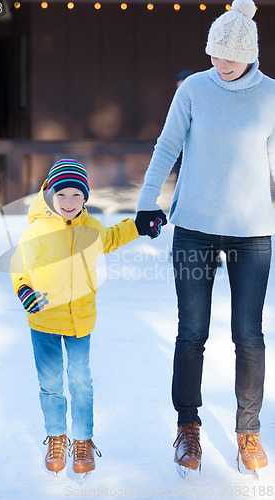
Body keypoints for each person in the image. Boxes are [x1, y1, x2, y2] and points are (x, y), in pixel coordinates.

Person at [135, 0, 275, 475]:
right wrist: (147, 199)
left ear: (250, 55)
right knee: (192, 331)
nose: (221, 65)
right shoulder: (195, 88)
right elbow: (167, 144)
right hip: (194, 227)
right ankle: (188, 427)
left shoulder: (271, 95)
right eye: (214, 55)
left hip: (252, 234)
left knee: (249, 335)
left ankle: (248, 431)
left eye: (230, 58)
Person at [10, 159, 162, 477]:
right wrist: (25, 291)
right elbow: (20, 268)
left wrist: (137, 226)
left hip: (80, 320)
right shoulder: (36, 230)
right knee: (50, 384)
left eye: (76, 196)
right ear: (50, 194)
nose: (68, 202)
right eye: (61, 194)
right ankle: (56, 436)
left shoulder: (90, 227)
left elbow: (110, 238)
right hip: (45, 322)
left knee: (81, 382)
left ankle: (82, 440)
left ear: (85, 199)